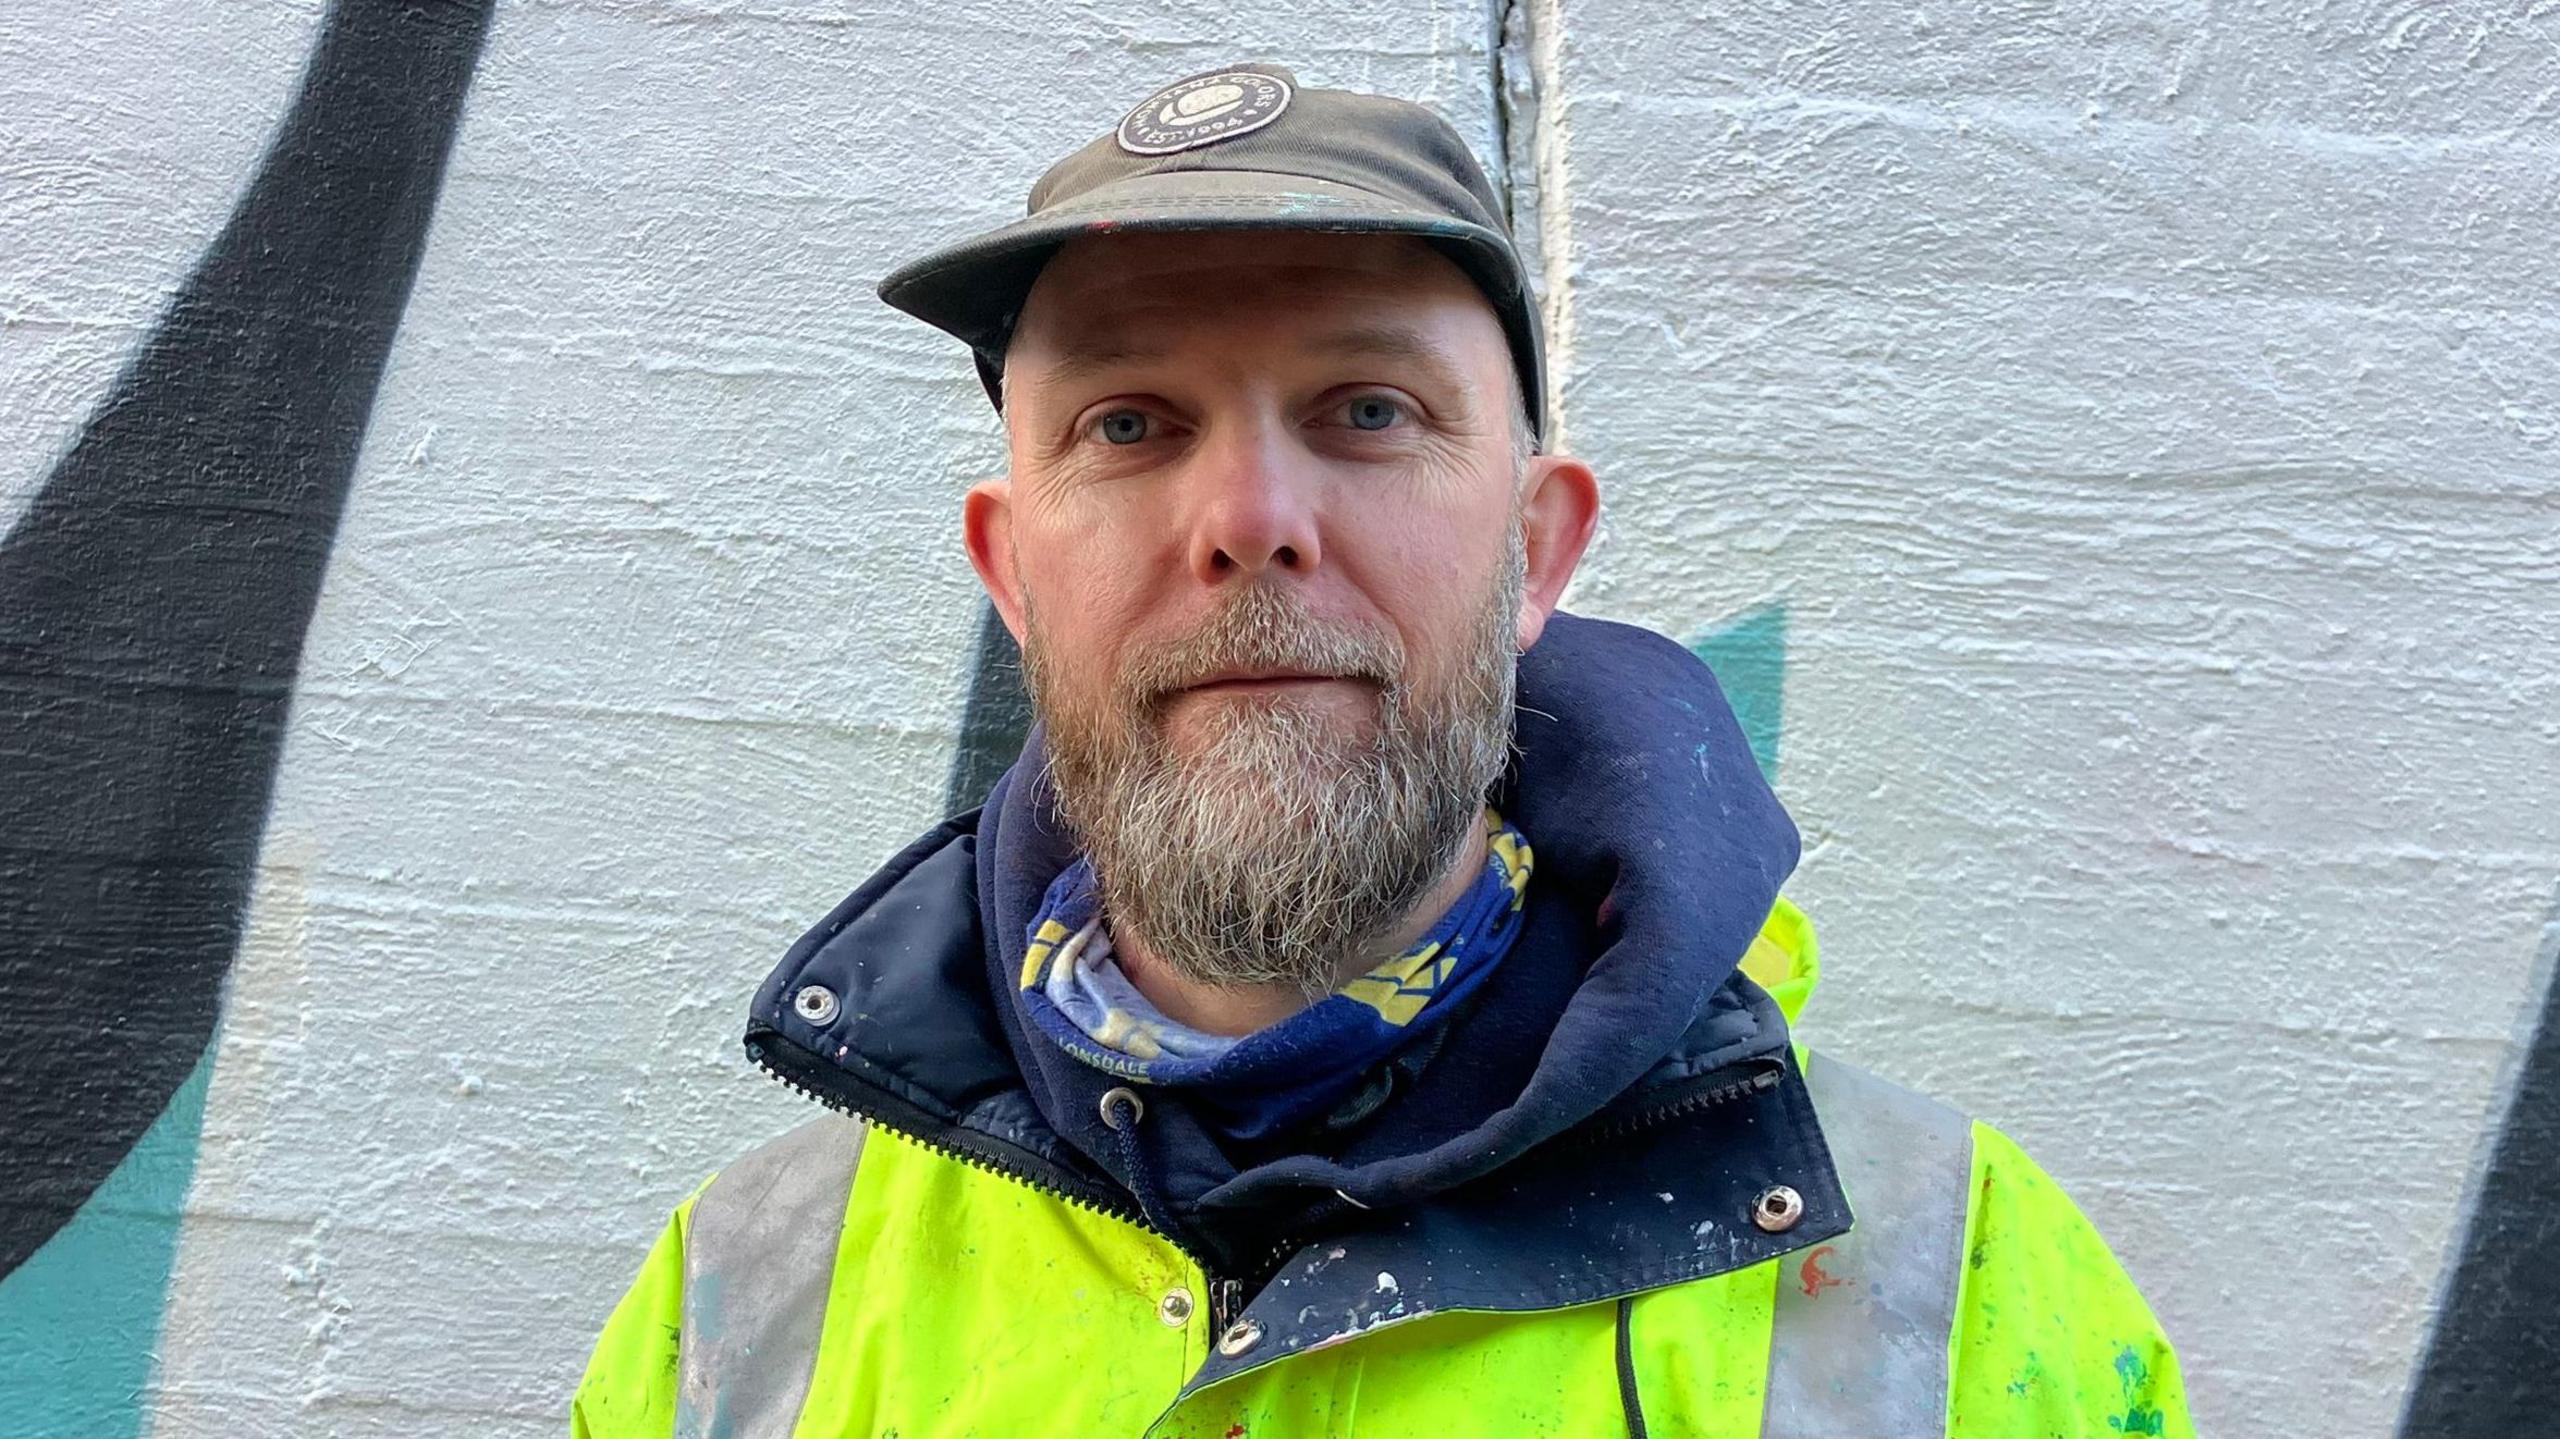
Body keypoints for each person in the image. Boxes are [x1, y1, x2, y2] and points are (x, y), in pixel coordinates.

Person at [572, 64, 2190, 1438]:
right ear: (1012, 574)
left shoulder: (1954, 1285)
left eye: (1369, 412)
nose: (1252, 523)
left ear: (1536, 554)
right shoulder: (738, 1308)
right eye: (1130, 424)